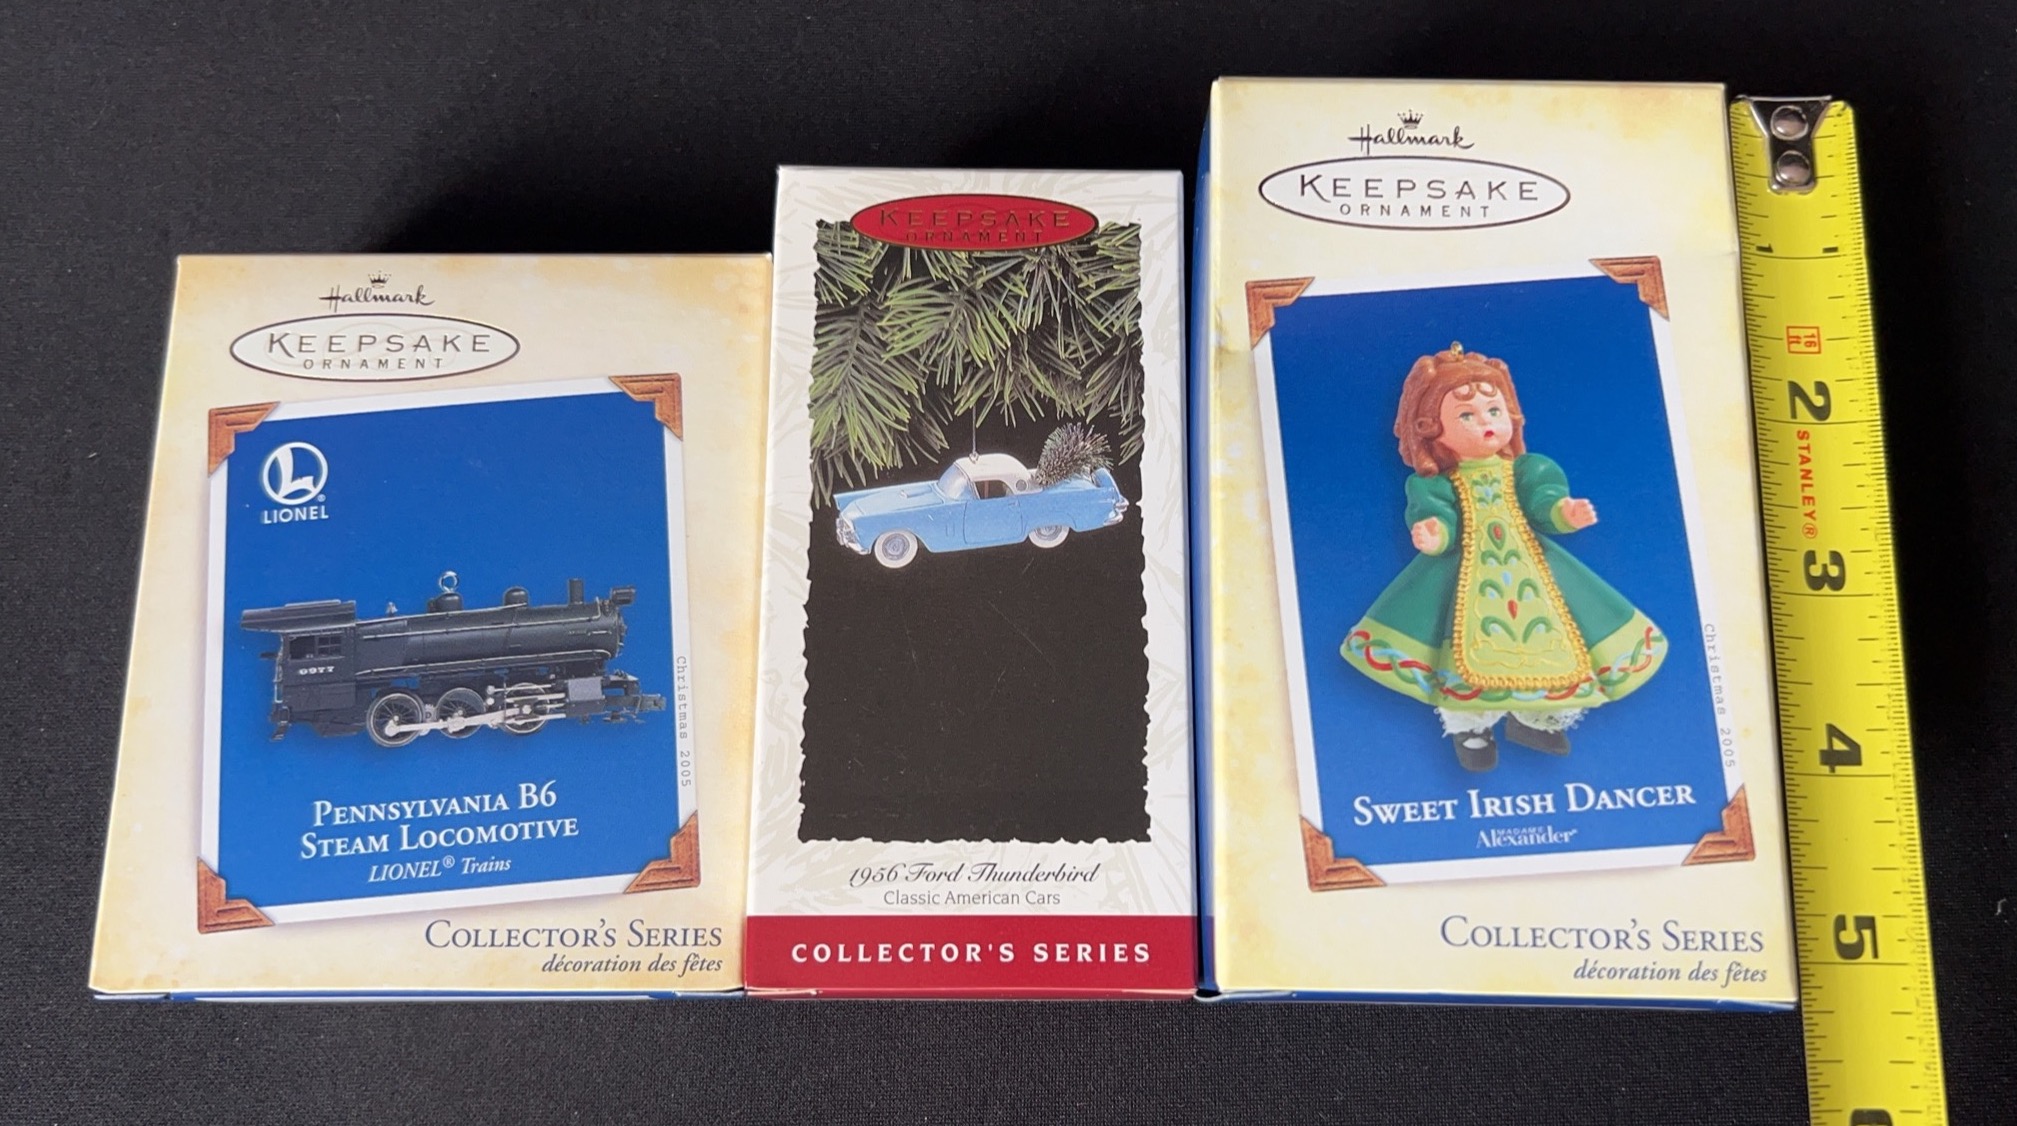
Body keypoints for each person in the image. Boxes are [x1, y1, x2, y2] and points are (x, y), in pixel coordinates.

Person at [1341, 343, 1666, 772]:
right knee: (1460, 652)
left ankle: (1537, 718)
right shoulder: (1436, 485)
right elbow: (1438, 517)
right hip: (1463, 577)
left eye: (1494, 411)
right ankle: (1471, 728)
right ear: (1432, 430)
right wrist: (1434, 534)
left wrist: (1564, 513)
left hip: (1532, 570)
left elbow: (1542, 502)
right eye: (1467, 416)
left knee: (1549, 641)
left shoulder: (1524, 470)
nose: (1486, 423)